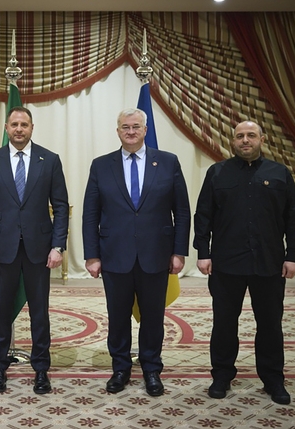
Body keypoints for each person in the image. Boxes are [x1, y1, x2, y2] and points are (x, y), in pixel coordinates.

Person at [193, 120, 295, 405]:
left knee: (270, 324)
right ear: (233, 141)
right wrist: (203, 252)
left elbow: (293, 218)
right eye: (240, 136)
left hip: (269, 263)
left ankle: (273, 379)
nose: (245, 140)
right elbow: (203, 216)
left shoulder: (279, 173)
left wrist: (292, 255)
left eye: (251, 135)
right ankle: (221, 376)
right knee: (224, 323)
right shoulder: (217, 172)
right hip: (226, 264)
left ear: (262, 140)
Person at [82, 108, 190, 396]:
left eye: (136, 127)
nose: (130, 132)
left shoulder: (167, 162)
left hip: (156, 254)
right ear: (117, 131)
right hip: (114, 255)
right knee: (117, 317)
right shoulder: (101, 165)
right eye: (125, 127)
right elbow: (90, 213)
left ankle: (152, 369)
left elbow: (181, 210)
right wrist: (92, 255)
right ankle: (120, 368)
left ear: (145, 130)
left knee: (153, 317)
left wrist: (179, 251)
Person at [0, 106, 69, 394]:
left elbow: (61, 206)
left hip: (39, 250)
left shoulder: (49, 160)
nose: (19, 129)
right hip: (2, 251)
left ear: (31, 128)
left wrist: (58, 245)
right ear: (6, 128)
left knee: (39, 313)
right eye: (14, 124)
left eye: (24, 124)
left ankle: (41, 369)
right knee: (1, 312)